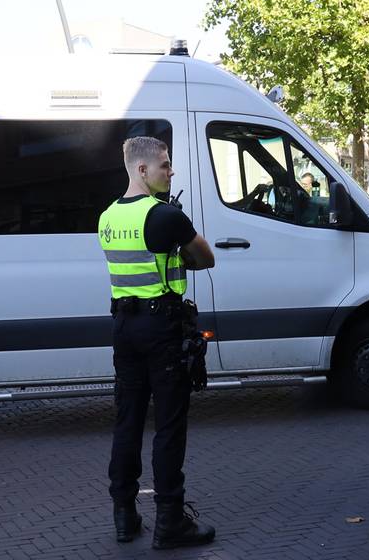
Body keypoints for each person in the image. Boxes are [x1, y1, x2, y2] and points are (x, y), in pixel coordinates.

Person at [97, 136, 217, 549]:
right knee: (168, 424)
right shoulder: (165, 216)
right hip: (161, 329)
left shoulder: (107, 217)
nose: (171, 172)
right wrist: (179, 250)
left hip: (123, 328)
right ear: (142, 170)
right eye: (165, 165)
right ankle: (170, 522)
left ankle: (124, 516)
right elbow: (206, 258)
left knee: (127, 420)